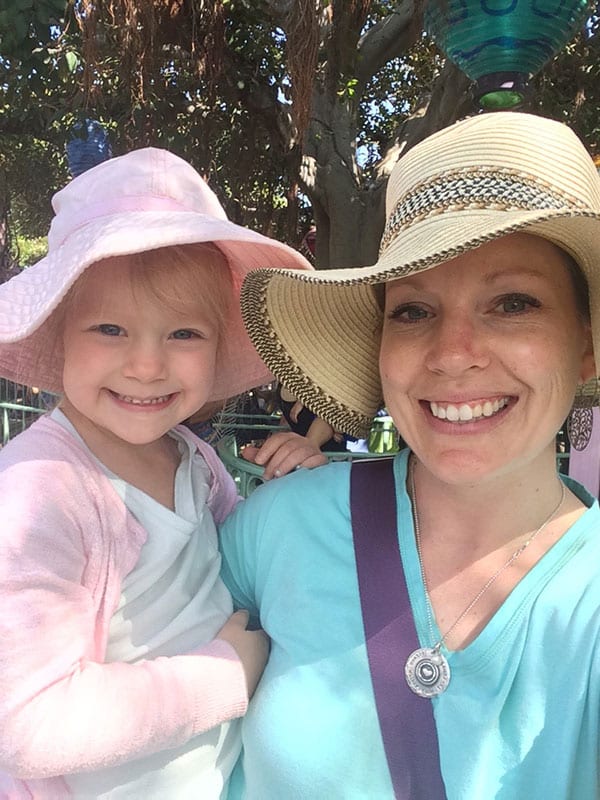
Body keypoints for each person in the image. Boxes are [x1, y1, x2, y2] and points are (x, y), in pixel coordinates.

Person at [219, 112, 600, 799]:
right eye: (414, 311)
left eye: (512, 303)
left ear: (585, 346)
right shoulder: (277, 530)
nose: (453, 353)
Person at [0, 147, 325, 798]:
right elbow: (28, 722)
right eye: (111, 329)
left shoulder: (195, 461)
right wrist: (229, 672)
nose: (146, 366)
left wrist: (289, 494)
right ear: (59, 332)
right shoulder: (39, 488)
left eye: (183, 334)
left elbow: (236, 573)